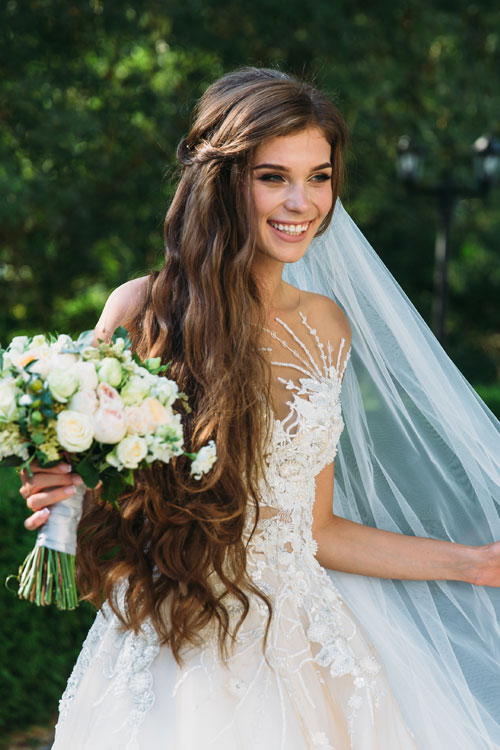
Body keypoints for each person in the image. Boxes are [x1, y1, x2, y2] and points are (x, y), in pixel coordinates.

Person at [19, 68, 500, 749]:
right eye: (273, 176)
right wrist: (64, 486)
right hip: (177, 645)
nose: (301, 202)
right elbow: (97, 494)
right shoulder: (141, 312)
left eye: (320, 176)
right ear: (223, 181)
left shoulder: (327, 327)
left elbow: (316, 530)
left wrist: (477, 564)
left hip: (307, 650)